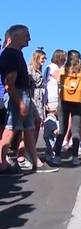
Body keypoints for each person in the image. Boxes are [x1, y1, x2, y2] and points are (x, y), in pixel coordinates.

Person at [0, 25, 53, 173]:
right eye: (26, 35)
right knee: (10, 130)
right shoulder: (10, 55)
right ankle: (1, 163)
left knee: (29, 129)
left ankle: (37, 163)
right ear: (15, 36)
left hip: (24, 95)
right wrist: (21, 103)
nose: (29, 38)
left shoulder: (17, 54)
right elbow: (9, 84)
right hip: (17, 95)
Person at [52, 49, 81, 166]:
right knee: (76, 131)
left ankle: (57, 155)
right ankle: (75, 157)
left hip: (64, 102)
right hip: (77, 103)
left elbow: (56, 79)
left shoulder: (63, 70)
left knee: (62, 130)